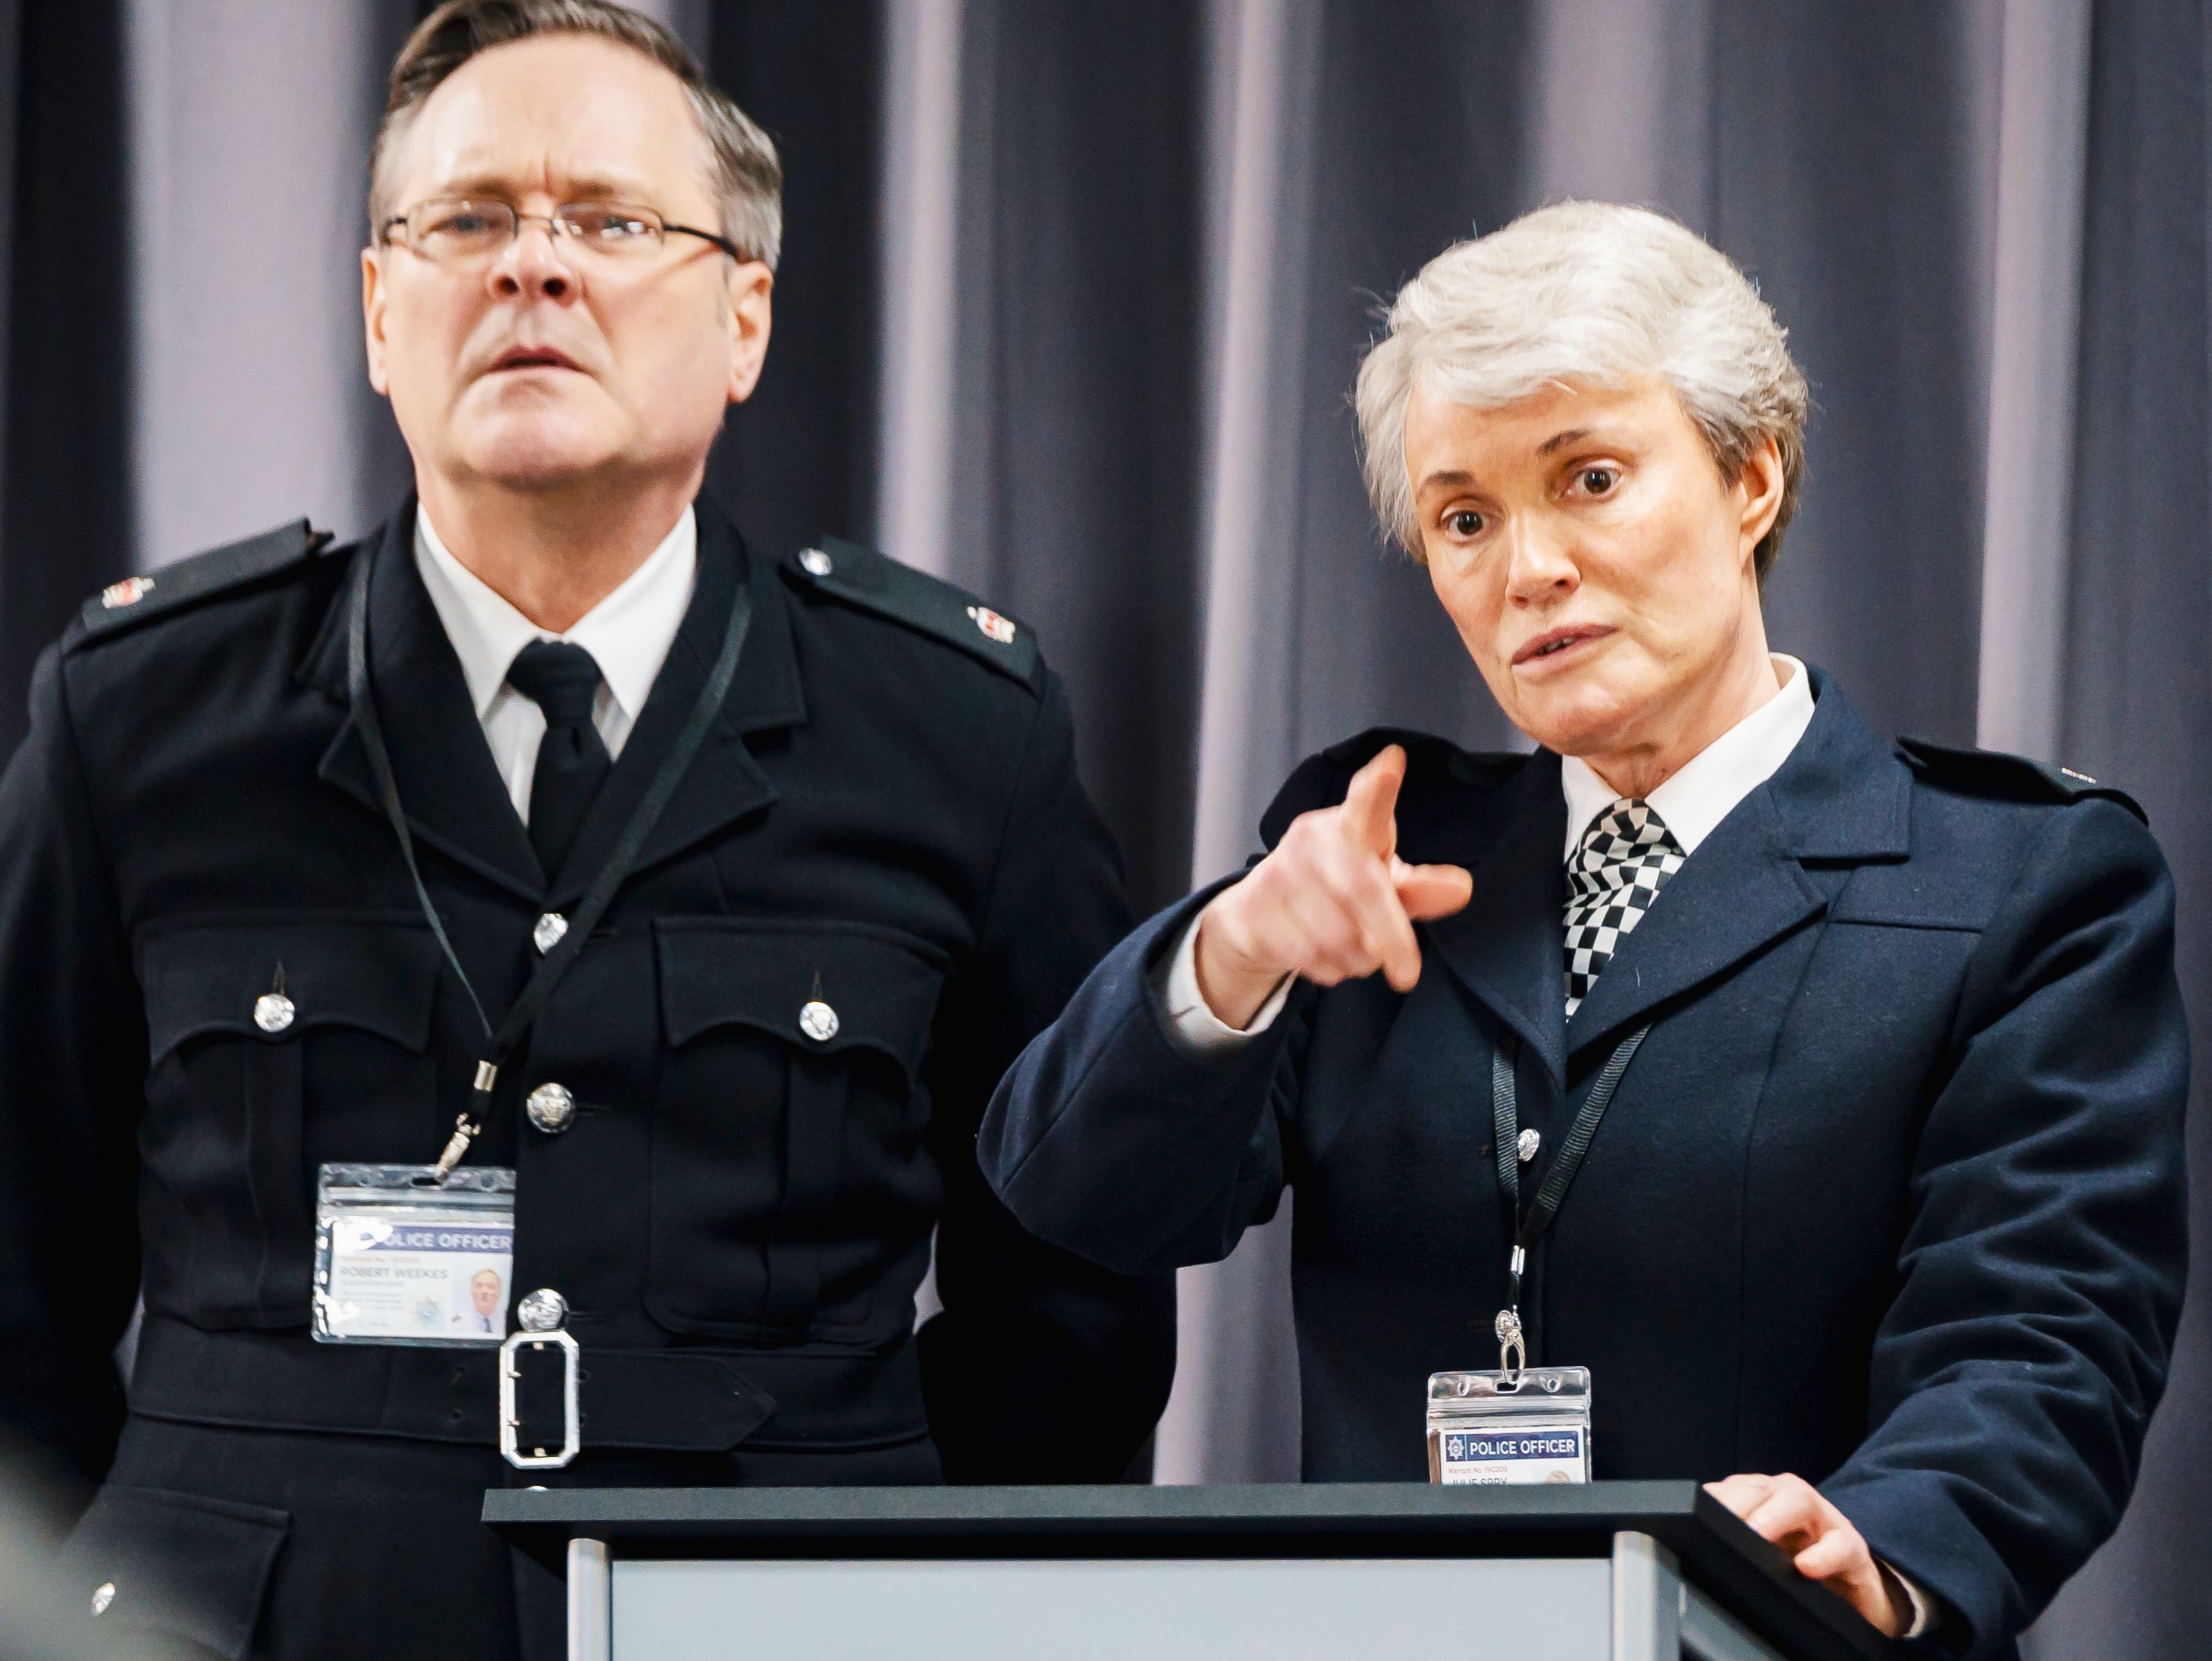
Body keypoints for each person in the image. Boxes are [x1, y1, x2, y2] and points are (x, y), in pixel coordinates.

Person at [0, 4, 1172, 1656]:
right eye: (467, 219)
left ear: (745, 316)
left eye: (610, 223)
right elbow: (13, 1305)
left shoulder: (958, 734)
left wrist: (880, 1585)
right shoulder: (140, 716)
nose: (531, 269)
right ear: (377, 314)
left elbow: (1071, 1307)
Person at [979, 202, 2187, 1657]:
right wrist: (1234, 950)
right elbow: (1078, 1201)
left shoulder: (2021, 878)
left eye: (1591, 479)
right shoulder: (1375, 849)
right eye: (1464, 517)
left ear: (1753, 473)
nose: (1527, 567)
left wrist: (1891, 1534)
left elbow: (2044, 1328)